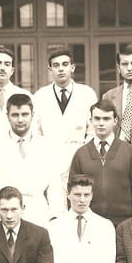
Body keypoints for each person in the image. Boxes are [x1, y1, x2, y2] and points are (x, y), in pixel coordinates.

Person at [0, 93, 64, 229]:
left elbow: (55, 187)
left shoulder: (46, 146)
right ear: (7, 116)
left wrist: (56, 217)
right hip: (4, 213)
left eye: (24, 114)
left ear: (32, 115)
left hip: (38, 214)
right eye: (15, 115)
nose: (20, 120)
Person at [69, 100, 132, 227]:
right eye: (97, 118)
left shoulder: (130, 152)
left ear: (115, 121)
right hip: (90, 223)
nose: (101, 123)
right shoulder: (81, 154)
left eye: (106, 119)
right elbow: (72, 190)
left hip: (123, 223)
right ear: (91, 121)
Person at [33, 47, 98, 186]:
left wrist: (82, 155)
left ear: (72, 67)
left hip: (80, 159)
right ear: (50, 70)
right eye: (56, 65)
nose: (61, 69)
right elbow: (36, 132)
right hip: (49, 161)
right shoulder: (40, 96)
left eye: (65, 64)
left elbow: (93, 131)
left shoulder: (87, 94)